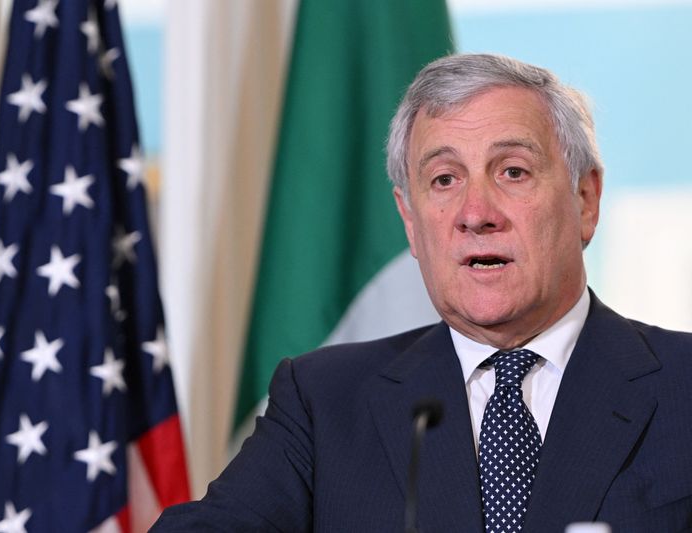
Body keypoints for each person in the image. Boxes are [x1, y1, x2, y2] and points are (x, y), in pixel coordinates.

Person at [151, 54, 692, 532]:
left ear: (585, 200)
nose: (476, 214)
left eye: (513, 171)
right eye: (444, 180)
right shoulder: (323, 402)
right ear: (410, 222)